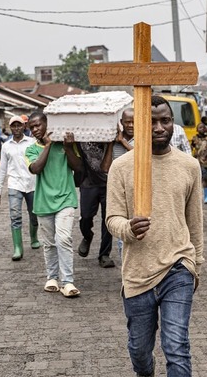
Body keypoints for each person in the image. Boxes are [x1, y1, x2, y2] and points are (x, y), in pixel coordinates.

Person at [106, 95, 204, 377]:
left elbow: (196, 223)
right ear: (141, 124)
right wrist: (129, 229)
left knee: (177, 347)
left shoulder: (189, 166)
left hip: (178, 267)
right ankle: (144, 375)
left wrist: (196, 266)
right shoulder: (122, 167)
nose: (160, 127)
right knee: (139, 348)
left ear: (172, 122)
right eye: (153, 121)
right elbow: (112, 219)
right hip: (137, 273)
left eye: (165, 120)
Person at [26, 111, 84, 297]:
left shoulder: (64, 145)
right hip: (43, 202)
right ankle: (52, 277)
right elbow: (36, 168)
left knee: (64, 238)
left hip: (66, 199)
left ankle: (67, 281)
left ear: (47, 124)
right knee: (49, 243)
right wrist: (48, 146)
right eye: (32, 127)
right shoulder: (31, 149)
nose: (35, 129)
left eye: (38, 125)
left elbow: (78, 167)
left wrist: (68, 147)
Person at [0, 115, 39, 261]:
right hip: (14, 184)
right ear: (10, 128)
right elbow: (2, 169)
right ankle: (18, 248)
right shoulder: (6, 146)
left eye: (19, 125)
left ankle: (33, 237)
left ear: (24, 127)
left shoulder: (32, 142)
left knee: (34, 215)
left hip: (32, 183)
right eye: (14, 125)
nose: (17, 128)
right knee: (15, 216)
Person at [102, 108, 135, 258]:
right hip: (120, 191)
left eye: (134, 122)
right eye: (127, 122)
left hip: (136, 190)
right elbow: (105, 167)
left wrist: (123, 142)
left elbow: (141, 159)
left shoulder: (143, 140)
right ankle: (126, 271)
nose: (131, 125)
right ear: (121, 123)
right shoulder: (114, 142)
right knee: (122, 233)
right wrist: (111, 143)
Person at [78, 139, 115, 269]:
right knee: (86, 217)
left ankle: (104, 254)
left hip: (108, 182)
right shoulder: (81, 135)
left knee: (108, 219)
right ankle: (87, 236)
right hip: (88, 182)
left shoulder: (109, 135)